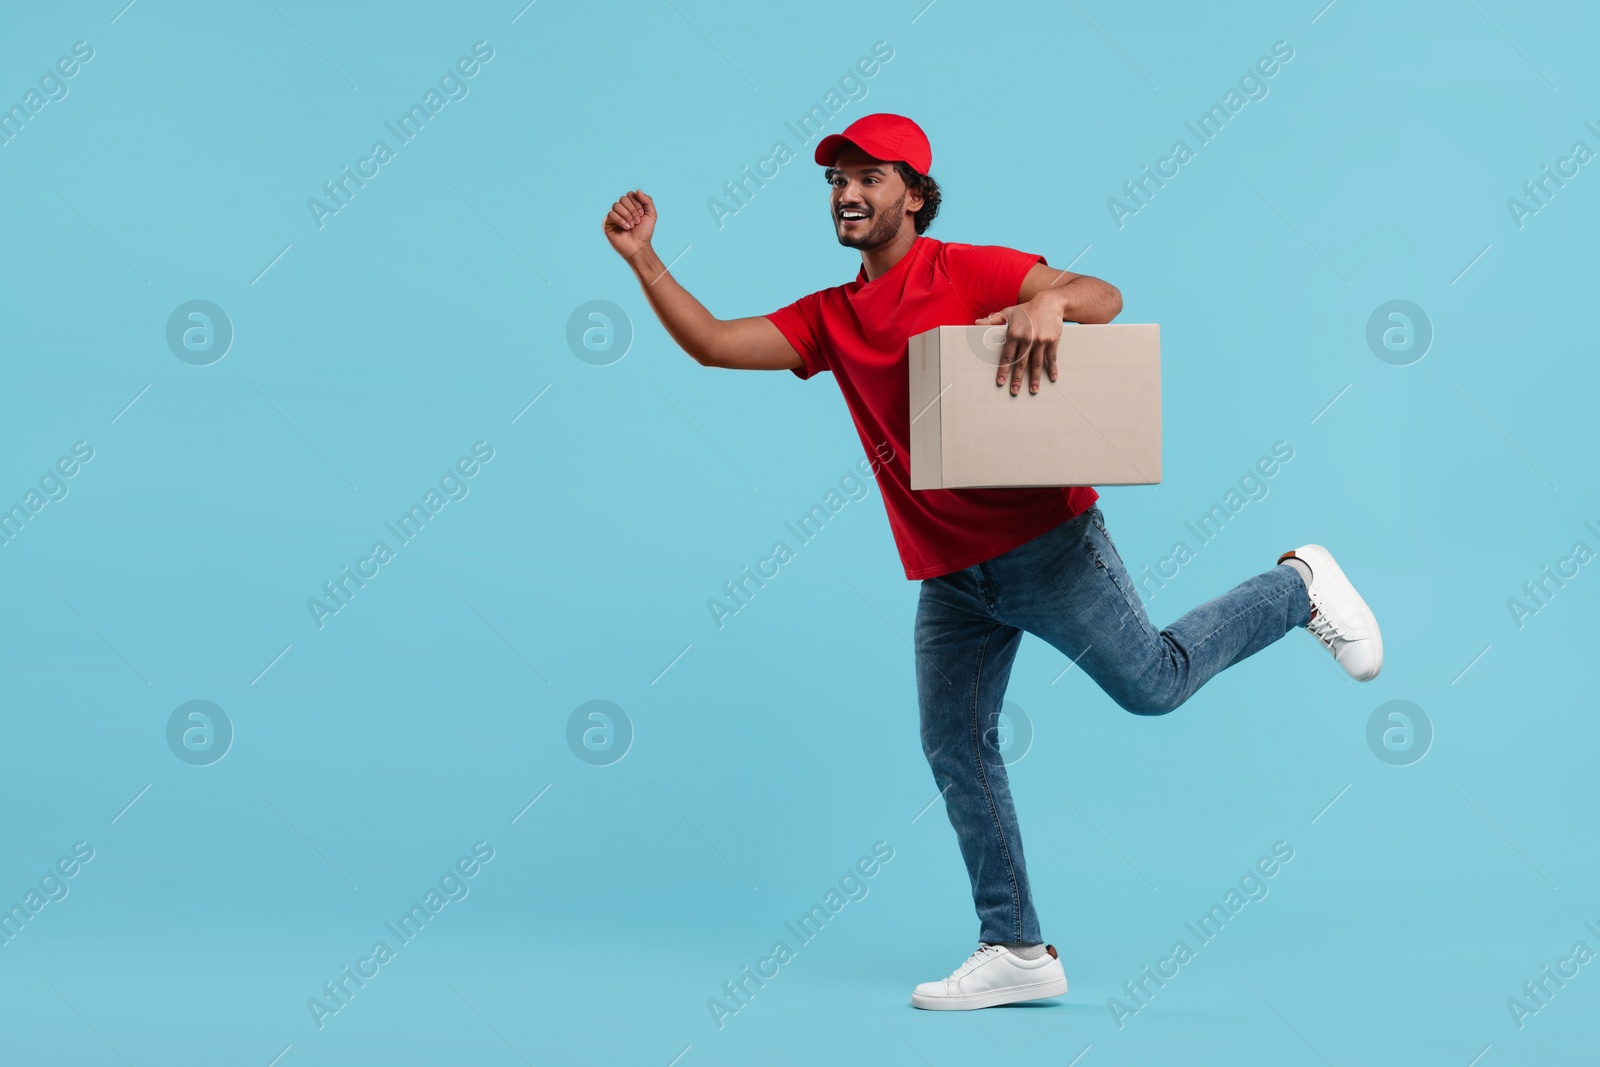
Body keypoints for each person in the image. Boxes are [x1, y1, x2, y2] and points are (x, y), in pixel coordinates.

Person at [602, 112, 1383, 1012]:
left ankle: (1296, 586)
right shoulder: (831, 316)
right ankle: (1015, 945)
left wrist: (1049, 301)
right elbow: (713, 343)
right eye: (835, 181)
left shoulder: (964, 268)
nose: (847, 193)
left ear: (915, 194)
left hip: (1046, 544)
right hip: (950, 574)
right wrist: (644, 259)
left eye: (868, 177)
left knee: (1155, 685)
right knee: (954, 742)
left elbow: (1103, 293)